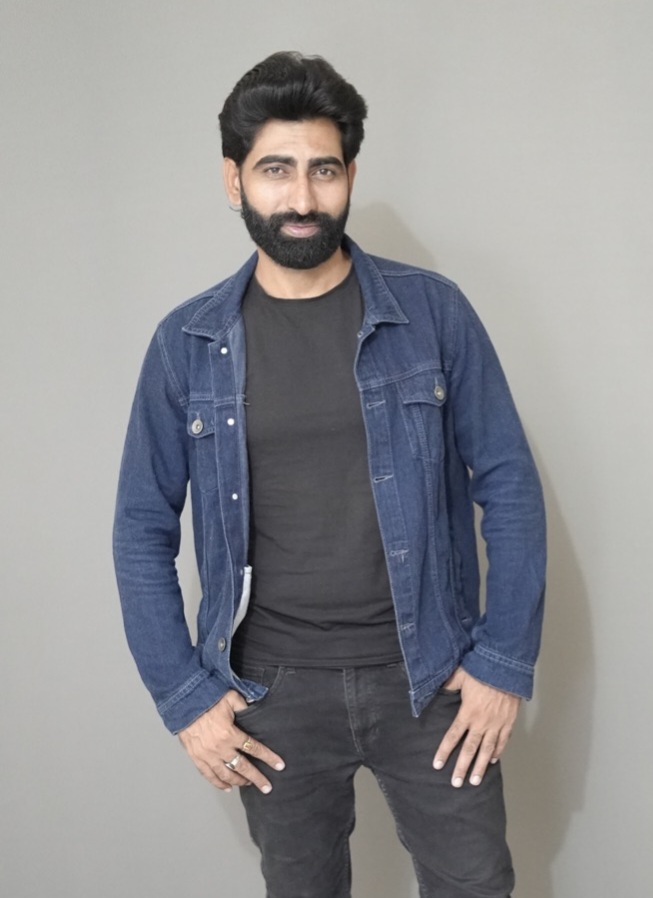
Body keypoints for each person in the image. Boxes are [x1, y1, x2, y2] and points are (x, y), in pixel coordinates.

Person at [113, 51, 546, 898]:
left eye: (323, 170)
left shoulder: (432, 313)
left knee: (475, 885)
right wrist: (184, 698)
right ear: (234, 180)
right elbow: (139, 528)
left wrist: (502, 662)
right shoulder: (186, 343)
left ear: (349, 176)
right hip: (271, 692)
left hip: (429, 676)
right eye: (275, 170)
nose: (302, 198)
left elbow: (509, 484)